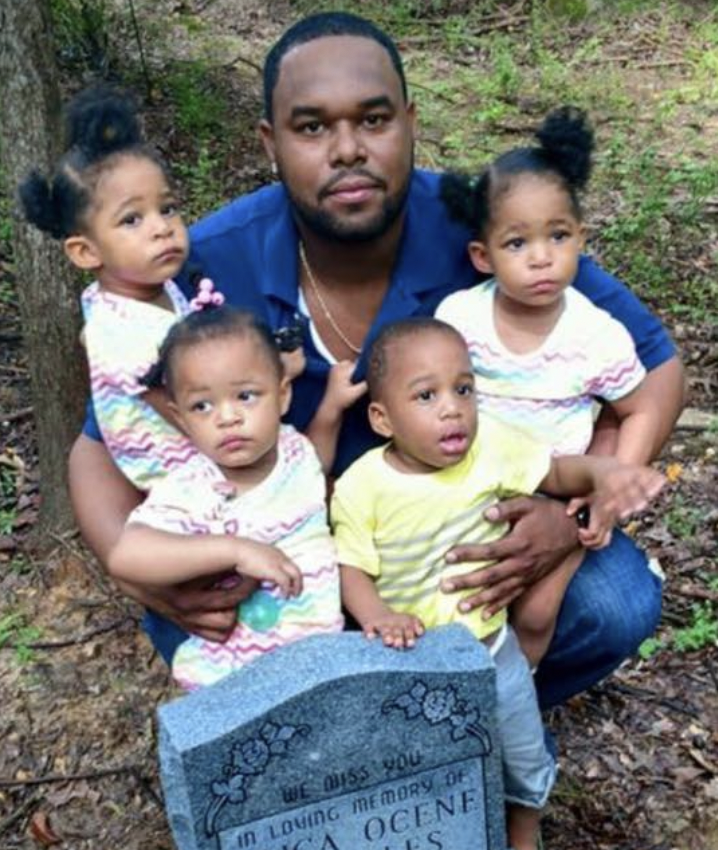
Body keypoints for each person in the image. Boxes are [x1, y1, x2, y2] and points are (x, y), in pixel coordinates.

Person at [67, 11, 685, 708]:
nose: (347, 150)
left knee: (616, 600)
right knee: (201, 618)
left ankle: (468, 722)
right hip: (274, 552)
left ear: (411, 121)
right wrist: (135, 569)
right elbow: (97, 446)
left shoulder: (486, 227)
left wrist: (571, 516)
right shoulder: (205, 266)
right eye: (310, 127)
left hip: (449, 537)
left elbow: (654, 367)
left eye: (374, 119)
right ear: (269, 141)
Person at [330, 318, 665, 850]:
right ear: (382, 418)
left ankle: (525, 841)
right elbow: (351, 568)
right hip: (412, 659)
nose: (452, 409)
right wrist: (378, 617)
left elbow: (556, 471)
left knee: (522, 748)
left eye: (464, 390)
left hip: (492, 646)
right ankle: (433, 849)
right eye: (426, 395)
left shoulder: (491, 449)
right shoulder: (363, 486)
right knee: (425, 756)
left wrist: (603, 471)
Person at [436, 107, 660, 665]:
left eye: (557, 236)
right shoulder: (461, 319)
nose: (541, 258)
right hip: (468, 487)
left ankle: (518, 704)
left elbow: (636, 409)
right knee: (454, 602)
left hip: (554, 492)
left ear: (580, 238)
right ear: (483, 257)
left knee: (536, 614)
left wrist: (608, 491)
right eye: (517, 244)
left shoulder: (595, 335)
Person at [107, 304, 343, 690]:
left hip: (317, 665)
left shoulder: (293, 450)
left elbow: (314, 468)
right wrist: (234, 551)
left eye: (246, 396)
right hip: (231, 678)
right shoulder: (194, 487)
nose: (227, 417)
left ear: (282, 396)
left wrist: (332, 406)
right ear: (180, 419)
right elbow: (127, 556)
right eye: (202, 406)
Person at [19, 84, 196, 490]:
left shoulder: (142, 291)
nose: (162, 228)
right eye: (132, 220)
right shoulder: (122, 335)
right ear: (85, 252)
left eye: (167, 208)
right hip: (185, 485)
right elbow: (190, 412)